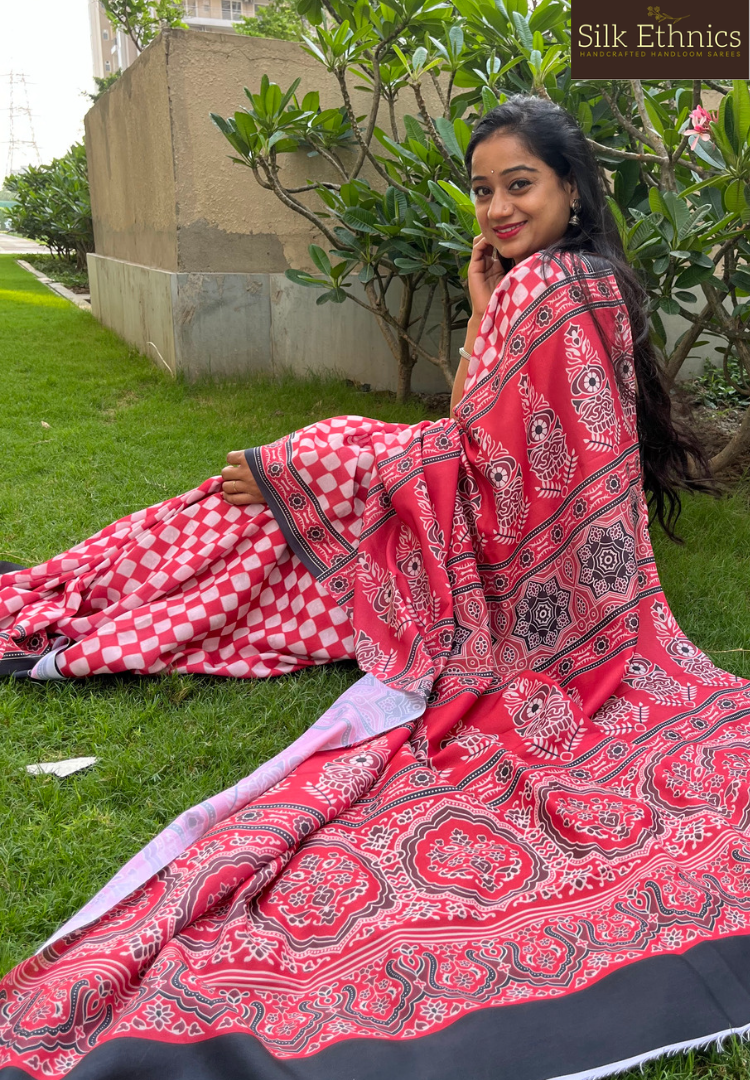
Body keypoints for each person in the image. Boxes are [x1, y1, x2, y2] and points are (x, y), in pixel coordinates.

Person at [2, 94, 750, 1080]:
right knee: (286, 485)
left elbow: (493, 467)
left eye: (517, 185)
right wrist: (475, 325)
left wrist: (326, 466)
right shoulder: (582, 288)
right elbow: (488, 442)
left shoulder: (553, 295)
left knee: (277, 486)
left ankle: (93, 608)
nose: (494, 209)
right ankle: (109, 609)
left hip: (533, 629)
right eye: (482, 189)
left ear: (571, 188)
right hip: (558, 603)